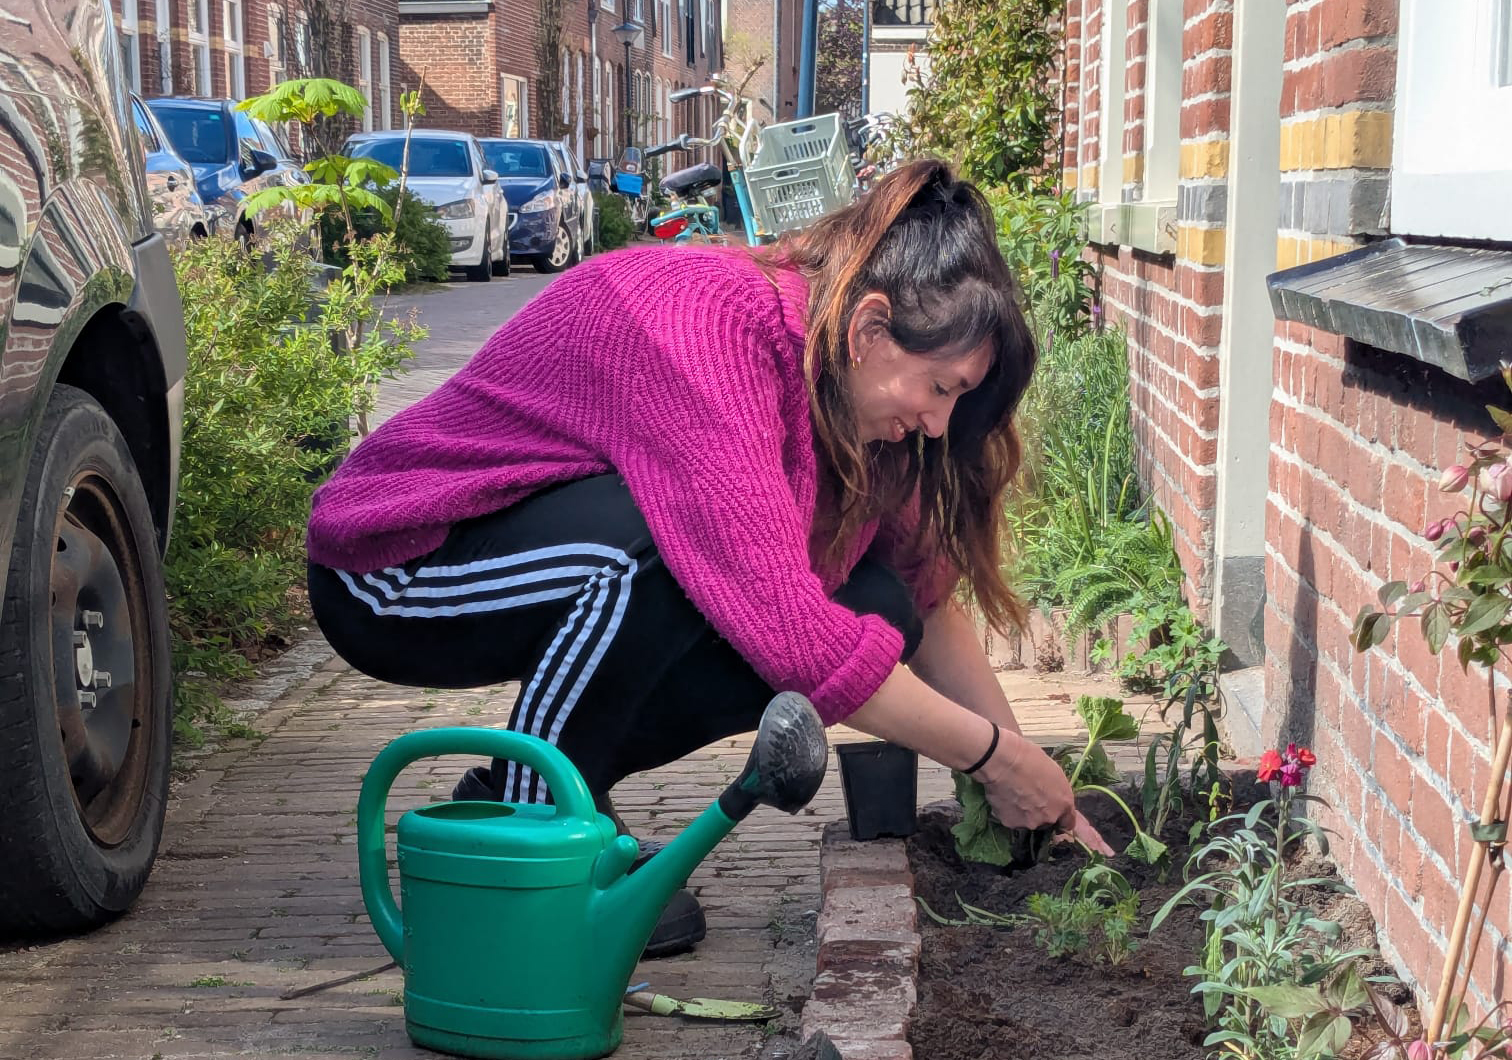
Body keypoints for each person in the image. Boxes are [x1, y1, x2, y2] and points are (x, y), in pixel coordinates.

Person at [306, 159, 1113, 958]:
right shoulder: (704, 326)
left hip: (548, 562)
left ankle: (543, 793)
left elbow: (926, 597)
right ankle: (534, 830)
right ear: (870, 329)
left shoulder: (847, 388)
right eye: (941, 388)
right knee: (659, 554)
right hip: (397, 569)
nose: (941, 423)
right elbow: (793, 638)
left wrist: (1029, 784)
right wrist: (989, 756)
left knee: (878, 605)